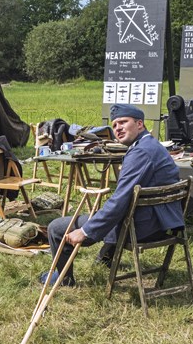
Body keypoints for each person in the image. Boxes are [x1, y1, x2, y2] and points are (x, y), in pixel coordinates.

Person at [40, 104, 184, 286]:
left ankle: (64, 279)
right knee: (107, 212)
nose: (118, 128)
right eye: (115, 125)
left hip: (142, 228)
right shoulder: (151, 145)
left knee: (56, 227)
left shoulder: (141, 152)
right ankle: (105, 260)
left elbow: (119, 202)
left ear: (140, 124)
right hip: (163, 222)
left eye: (123, 122)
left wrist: (85, 231)